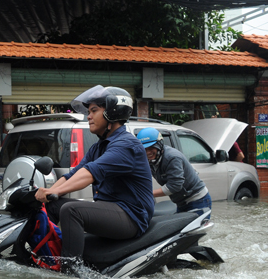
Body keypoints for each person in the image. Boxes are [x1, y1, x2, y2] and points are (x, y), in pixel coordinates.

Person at [34, 85, 154, 263]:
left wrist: (54, 193)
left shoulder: (127, 145)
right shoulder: (98, 147)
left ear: (112, 113)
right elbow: (72, 175)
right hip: (112, 211)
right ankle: (44, 253)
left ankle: (71, 270)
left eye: (94, 111)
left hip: (132, 217)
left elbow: (90, 173)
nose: (88, 116)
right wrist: (45, 192)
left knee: (71, 210)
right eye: (88, 111)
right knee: (52, 207)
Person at [137, 128, 211, 217]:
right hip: (181, 202)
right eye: (145, 149)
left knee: (195, 231)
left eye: (152, 147)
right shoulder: (150, 160)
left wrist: (148, 194)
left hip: (197, 200)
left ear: (159, 145)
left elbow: (175, 185)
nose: (148, 152)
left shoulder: (172, 157)